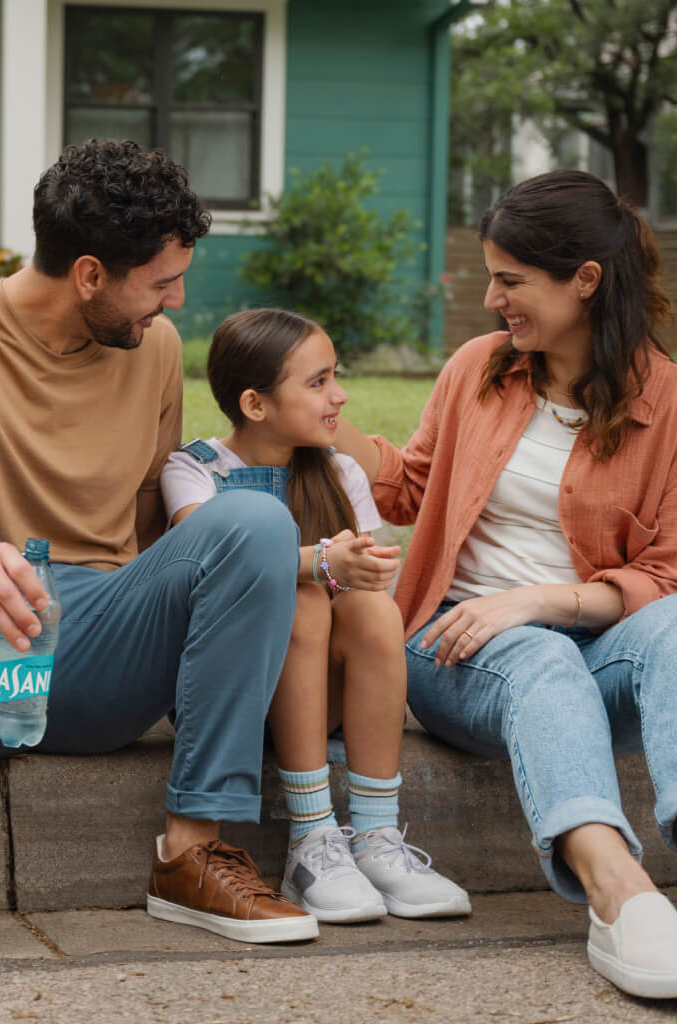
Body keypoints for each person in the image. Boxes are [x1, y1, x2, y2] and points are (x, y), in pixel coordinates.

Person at [335, 170, 677, 999]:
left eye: (511, 280)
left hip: (593, 644)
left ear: (585, 282)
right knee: (540, 661)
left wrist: (539, 599)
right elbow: (408, 487)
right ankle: (618, 898)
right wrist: (312, 405)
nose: (493, 299)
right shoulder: (478, 371)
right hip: (455, 645)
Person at [0, 140, 319, 958]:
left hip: (102, 656)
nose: (174, 302)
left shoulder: (156, 351)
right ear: (89, 274)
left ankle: (191, 853)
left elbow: (159, 527)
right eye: (161, 282)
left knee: (252, 520)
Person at [160, 308, 471, 923]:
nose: (340, 395)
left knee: (374, 611)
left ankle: (376, 838)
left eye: (336, 377)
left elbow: (374, 574)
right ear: (255, 403)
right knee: (300, 590)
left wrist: (361, 569)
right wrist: (324, 562)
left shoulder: (339, 470)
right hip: (230, 696)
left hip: (323, 692)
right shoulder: (193, 469)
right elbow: (207, 561)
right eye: (319, 382)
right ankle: (311, 840)